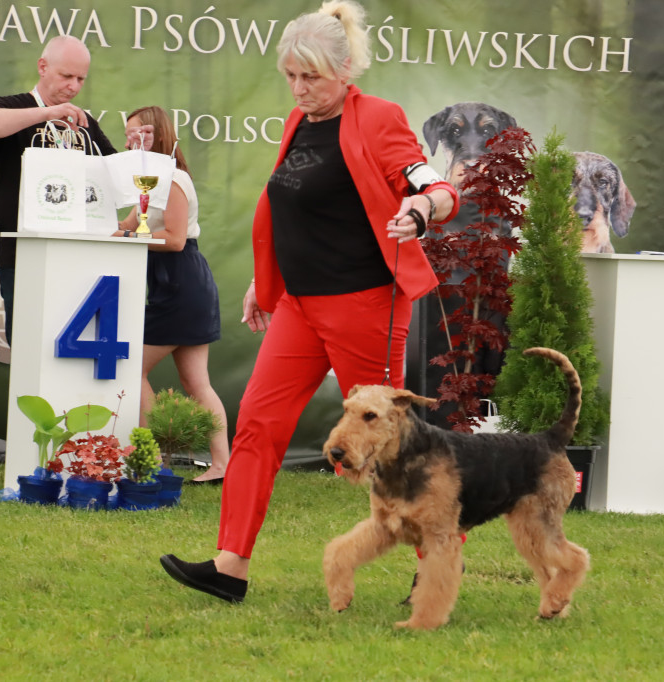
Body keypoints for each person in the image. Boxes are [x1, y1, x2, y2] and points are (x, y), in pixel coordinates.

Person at [159, 0, 459, 603]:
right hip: (299, 306)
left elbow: (434, 185)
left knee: (390, 446)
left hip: (366, 307)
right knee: (256, 429)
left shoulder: (378, 117)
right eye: (291, 76)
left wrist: (420, 210)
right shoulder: (300, 123)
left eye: (311, 77)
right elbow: (290, 211)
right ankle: (230, 566)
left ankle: (433, 564)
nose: (299, 89)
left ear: (344, 69)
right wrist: (265, 283)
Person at [0, 35, 151, 344]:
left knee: (73, 352)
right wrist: (46, 113)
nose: (74, 86)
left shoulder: (84, 122)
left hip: (81, 253)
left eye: (81, 79)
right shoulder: (16, 107)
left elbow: (115, 179)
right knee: (29, 347)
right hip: (25, 252)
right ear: (42, 67)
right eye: (67, 76)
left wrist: (136, 153)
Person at [114, 105, 230, 484]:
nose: (134, 141)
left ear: (161, 135)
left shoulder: (175, 178)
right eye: (130, 134)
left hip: (183, 285)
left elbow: (176, 239)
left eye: (142, 134)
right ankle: (219, 465)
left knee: (133, 368)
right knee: (196, 383)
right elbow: (126, 224)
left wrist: (128, 236)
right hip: (172, 286)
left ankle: (154, 460)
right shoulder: (148, 182)